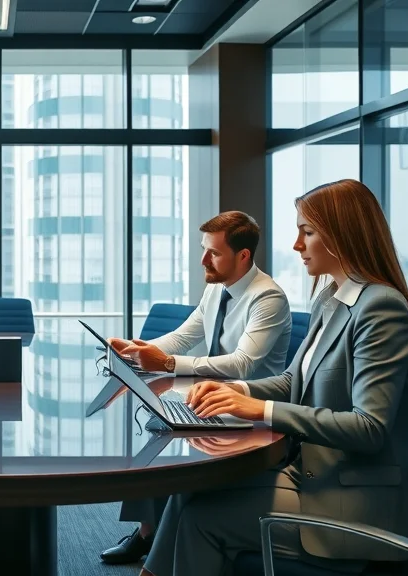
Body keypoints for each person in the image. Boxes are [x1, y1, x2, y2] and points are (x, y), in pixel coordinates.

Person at [140, 178, 408, 576]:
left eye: (307, 232)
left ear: (342, 236)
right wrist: (233, 391)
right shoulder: (332, 300)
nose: (296, 245)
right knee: (187, 490)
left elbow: (369, 427)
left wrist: (260, 409)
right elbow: (294, 382)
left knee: (201, 520)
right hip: (315, 472)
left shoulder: (380, 310)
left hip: (357, 501)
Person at [100, 211, 292, 564]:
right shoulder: (216, 289)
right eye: (204, 250)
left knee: (165, 432)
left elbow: (241, 363)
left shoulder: (268, 298)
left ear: (243, 256)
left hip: (251, 416)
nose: (203, 259)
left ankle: (157, 538)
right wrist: (139, 350)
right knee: (156, 425)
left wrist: (168, 365)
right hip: (214, 400)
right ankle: (148, 532)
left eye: (213, 253)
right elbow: (184, 336)